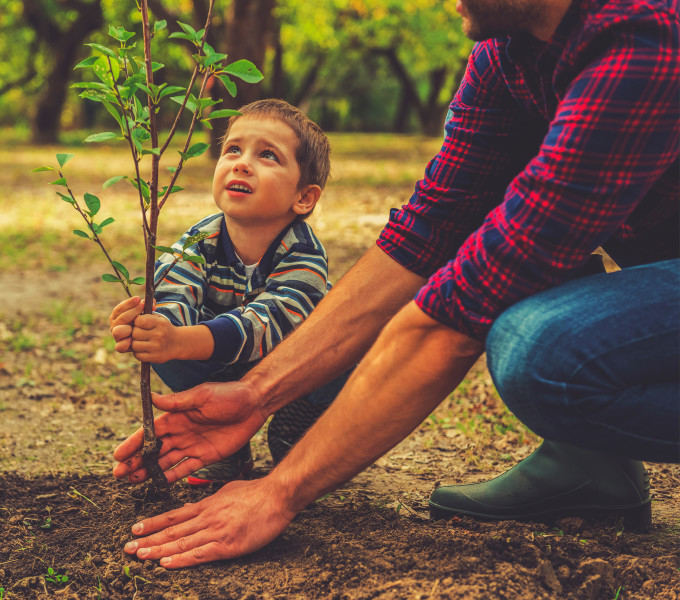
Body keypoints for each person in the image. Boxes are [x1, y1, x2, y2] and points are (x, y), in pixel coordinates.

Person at [112, 0, 679, 568]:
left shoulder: (642, 35)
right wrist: (256, 393)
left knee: (540, 350)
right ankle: (592, 465)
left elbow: (460, 312)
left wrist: (280, 490)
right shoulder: (504, 53)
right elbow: (426, 233)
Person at [109, 99, 349, 486]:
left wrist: (186, 339)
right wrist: (155, 328)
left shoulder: (304, 252)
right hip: (224, 361)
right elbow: (175, 291)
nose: (241, 162)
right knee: (168, 349)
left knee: (346, 352)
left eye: (268, 155)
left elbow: (271, 323)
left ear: (303, 197)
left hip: (294, 366)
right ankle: (227, 445)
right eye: (232, 150)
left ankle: (306, 420)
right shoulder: (200, 239)